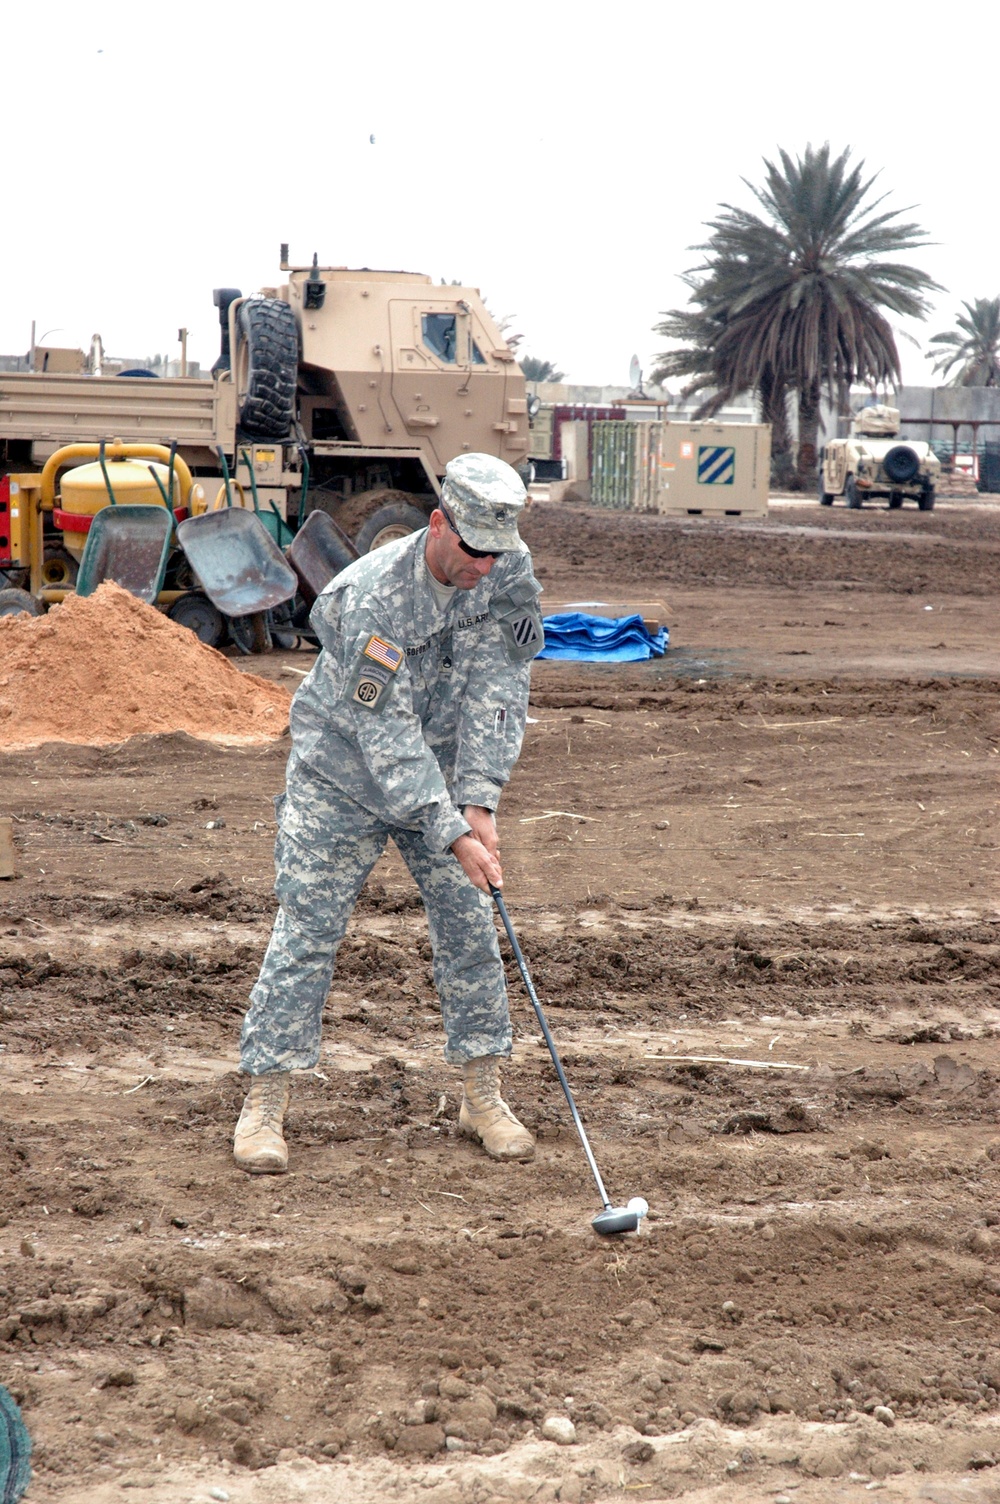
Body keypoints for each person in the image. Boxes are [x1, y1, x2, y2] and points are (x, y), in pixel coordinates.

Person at [234, 453, 545, 1175]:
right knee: (308, 929)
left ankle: (482, 1093)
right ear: (438, 525)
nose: (486, 571)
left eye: (499, 555)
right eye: (474, 553)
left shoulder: (507, 570)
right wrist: (452, 829)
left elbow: (502, 686)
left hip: (439, 778)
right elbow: (386, 734)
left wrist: (480, 800)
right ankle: (265, 1101)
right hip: (339, 774)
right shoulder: (366, 598)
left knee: (472, 926)